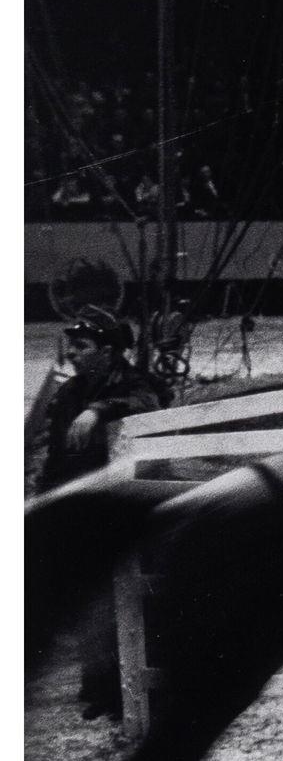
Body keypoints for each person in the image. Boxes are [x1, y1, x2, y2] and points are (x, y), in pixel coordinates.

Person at [30, 307, 170, 719]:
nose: (72, 354)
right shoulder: (68, 394)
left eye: (81, 346)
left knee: (133, 602)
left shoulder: (137, 383)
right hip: (82, 509)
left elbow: (149, 402)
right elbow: (56, 458)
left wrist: (99, 410)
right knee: (88, 600)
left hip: (130, 509)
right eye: (71, 346)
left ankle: (135, 692)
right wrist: (47, 503)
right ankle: (100, 687)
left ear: (108, 351)